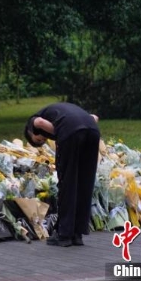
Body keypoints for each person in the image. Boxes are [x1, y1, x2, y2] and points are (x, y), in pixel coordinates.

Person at [24, 102, 100, 247]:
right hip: (93, 131)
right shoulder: (60, 110)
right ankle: (77, 234)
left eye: (39, 140)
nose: (44, 140)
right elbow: (94, 117)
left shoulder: (34, 120)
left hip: (70, 133)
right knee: (84, 183)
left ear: (31, 131)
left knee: (68, 183)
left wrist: (61, 131)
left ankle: (64, 235)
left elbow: (39, 122)